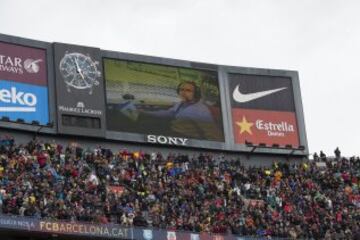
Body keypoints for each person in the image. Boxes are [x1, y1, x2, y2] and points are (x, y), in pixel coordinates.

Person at [141, 81, 222, 140]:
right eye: (181, 89)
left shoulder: (201, 110)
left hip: (185, 138)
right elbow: (169, 113)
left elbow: (213, 134)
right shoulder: (181, 104)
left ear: (196, 94)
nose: (183, 92)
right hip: (172, 133)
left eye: (188, 90)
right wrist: (145, 112)